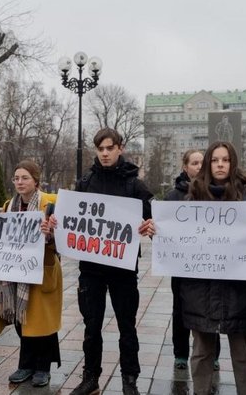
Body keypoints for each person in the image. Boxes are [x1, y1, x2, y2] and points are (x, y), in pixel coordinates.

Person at [51, 128, 154, 395]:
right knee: (91, 325)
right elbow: (70, 218)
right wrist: (55, 222)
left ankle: (129, 379)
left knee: (127, 326)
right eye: (100, 149)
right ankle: (90, 378)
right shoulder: (86, 181)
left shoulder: (135, 184)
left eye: (110, 148)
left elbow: (154, 219)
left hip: (123, 268)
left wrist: (149, 226)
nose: (105, 153)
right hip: (92, 269)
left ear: (120, 147)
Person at [179, 141, 246, 395]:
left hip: (239, 294)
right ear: (209, 164)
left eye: (226, 159)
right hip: (201, 294)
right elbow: (178, 244)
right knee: (201, 354)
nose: (220, 164)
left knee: (243, 355)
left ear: (233, 164)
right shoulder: (191, 201)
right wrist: (158, 233)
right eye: (215, 160)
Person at [0, 160, 62, 387]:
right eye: (16, 178)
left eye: (25, 178)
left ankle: (43, 367)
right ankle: (26, 365)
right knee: (22, 320)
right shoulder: (8, 206)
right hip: (16, 272)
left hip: (42, 271)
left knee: (43, 323)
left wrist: (51, 233)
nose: (19, 182)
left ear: (36, 180)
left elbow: (65, 238)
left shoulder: (52, 203)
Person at [164, 149, 222, 371]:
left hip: (209, 265)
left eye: (202, 163)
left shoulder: (216, 192)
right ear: (185, 167)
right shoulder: (172, 197)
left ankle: (213, 355)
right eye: (194, 163)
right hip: (181, 266)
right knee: (180, 309)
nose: (199, 166)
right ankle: (180, 354)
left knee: (211, 309)